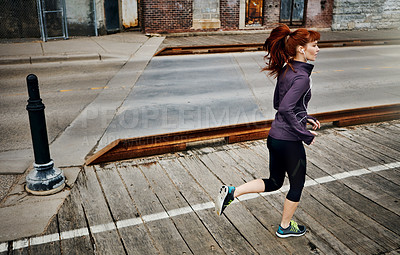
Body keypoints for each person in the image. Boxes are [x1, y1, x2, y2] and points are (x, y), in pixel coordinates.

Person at [215, 24, 321, 238]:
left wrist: (305, 117)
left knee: (275, 182)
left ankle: (233, 192)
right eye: (315, 45)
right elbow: (284, 107)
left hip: (275, 137)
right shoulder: (302, 77)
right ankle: (285, 227)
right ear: (301, 49)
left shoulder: (286, 69)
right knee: (297, 185)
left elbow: (279, 104)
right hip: (289, 140)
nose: (318, 49)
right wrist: (305, 134)